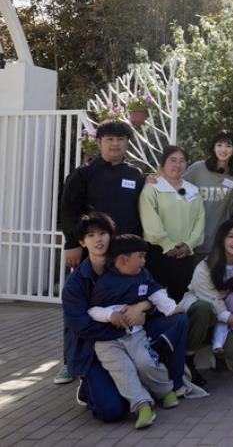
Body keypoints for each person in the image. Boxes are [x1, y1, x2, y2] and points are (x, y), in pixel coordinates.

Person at [62, 213, 187, 422]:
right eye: (91, 236)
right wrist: (125, 325)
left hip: (132, 334)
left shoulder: (129, 265)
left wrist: (143, 308)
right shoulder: (76, 283)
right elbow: (81, 326)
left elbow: (152, 291)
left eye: (103, 233)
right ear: (83, 242)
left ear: (112, 236)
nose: (98, 239)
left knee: (179, 320)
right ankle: (89, 386)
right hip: (94, 347)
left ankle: (170, 384)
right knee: (110, 411)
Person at [57, 119, 145, 385]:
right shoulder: (84, 173)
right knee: (82, 306)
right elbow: (68, 210)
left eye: (120, 139)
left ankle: (118, 356)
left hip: (123, 255)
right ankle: (69, 361)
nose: (115, 144)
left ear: (127, 143)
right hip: (90, 252)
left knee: (117, 305)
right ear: (99, 143)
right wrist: (71, 243)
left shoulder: (135, 174)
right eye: (109, 139)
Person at [87, 235, 186, 429]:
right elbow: (93, 310)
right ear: (124, 259)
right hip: (107, 342)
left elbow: (156, 292)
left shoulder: (143, 275)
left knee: (146, 362)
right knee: (123, 371)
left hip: (136, 334)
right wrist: (110, 315)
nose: (143, 261)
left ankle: (165, 390)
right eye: (140, 256)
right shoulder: (106, 282)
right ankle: (142, 405)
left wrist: (169, 308)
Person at [180, 219, 233, 387]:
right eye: (232, 236)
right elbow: (218, 309)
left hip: (227, 318)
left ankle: (216, 356)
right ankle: (188, 358)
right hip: (204, 314)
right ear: (222, 239)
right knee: (203, 309)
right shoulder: (204, 267)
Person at [139, 146, 205, 301]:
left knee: (180, 298)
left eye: (182, 161)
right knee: (155, 298)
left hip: (185, 255)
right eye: (173, 160)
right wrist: (167, 245)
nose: (178, 165)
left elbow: (200, 220)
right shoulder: (152, 188)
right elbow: (149, 219)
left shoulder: (193, 190)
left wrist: (189, 245)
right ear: (163, 164)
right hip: (158, 253)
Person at [184, 130, 233, 262]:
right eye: (220, 145)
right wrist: (154, 179)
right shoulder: (197, 169)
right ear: (213, 147)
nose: (223, 150)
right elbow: (175, 183)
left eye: (228, 146)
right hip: (192, 238)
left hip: (219, 239)